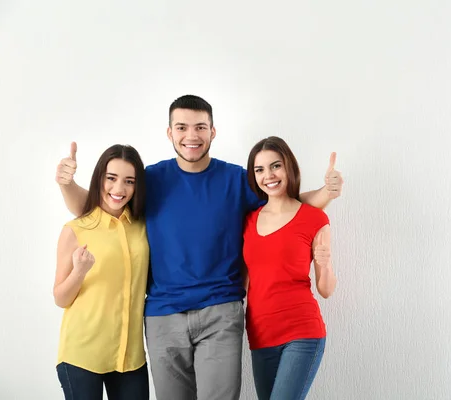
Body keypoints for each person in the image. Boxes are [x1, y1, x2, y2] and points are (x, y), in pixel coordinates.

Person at [54, 95, 343, 400]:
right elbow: (95, 210)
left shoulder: (236, 179)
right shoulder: (150, 179)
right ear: (170, 133)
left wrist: (327, 192)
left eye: (200, 127)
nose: (191, 136)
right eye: (181, 127)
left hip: (220, 310)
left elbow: (289, 205)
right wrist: (66, 184)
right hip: (163, 315)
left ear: (212, 132)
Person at [243, 136, 337, 400]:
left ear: (289, 168)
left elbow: (326, 289)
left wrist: (325, 261)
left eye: (276, 166)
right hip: (260, 335)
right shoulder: (248, 220)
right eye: (259, 170)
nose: (268, 175)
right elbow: (245, 281)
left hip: (302, 333)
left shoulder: (315, 218)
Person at [53, 144, 149, 400]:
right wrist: (79, 272)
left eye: (129, 181)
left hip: (130, 357)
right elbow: (60, 298)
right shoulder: (76, 229)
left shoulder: (141, 227)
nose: (119, 189)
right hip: (82, 355)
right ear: (99, 179)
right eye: (111, 178)